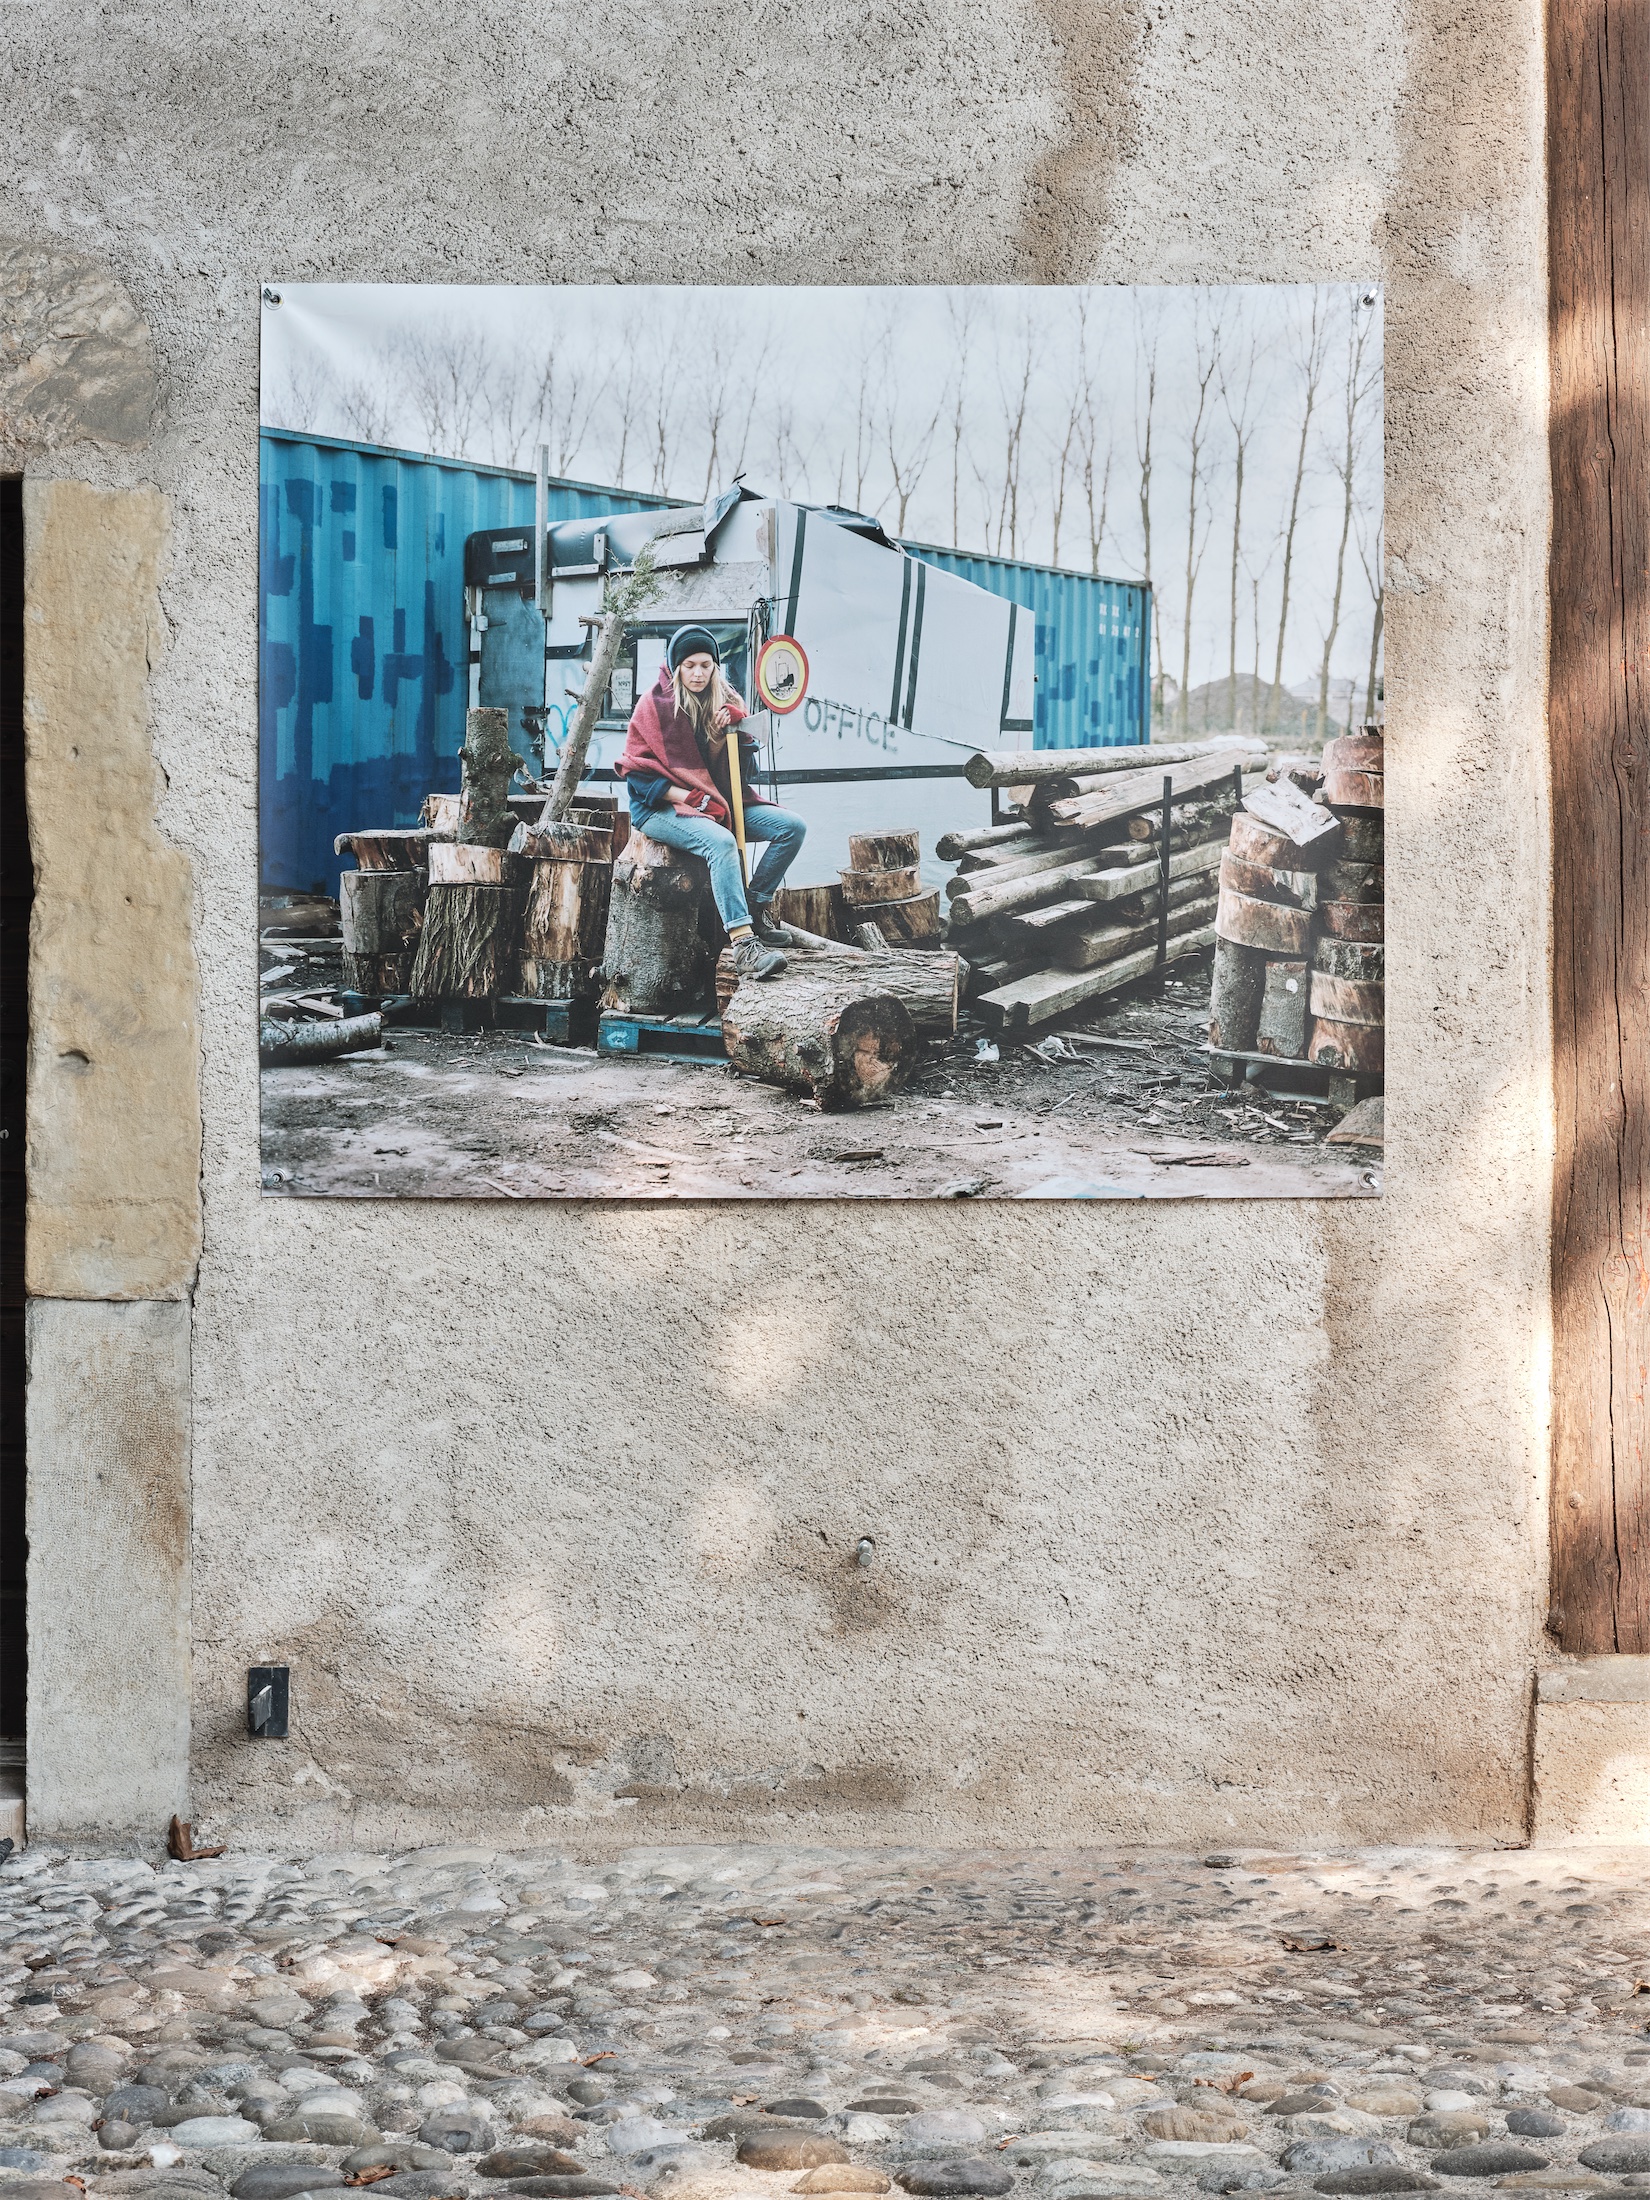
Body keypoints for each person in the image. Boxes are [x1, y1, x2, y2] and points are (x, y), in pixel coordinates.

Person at [617, 625, 808, 981]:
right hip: (660, 807)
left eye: (706, 665)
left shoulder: (725, 700)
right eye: (689, 665)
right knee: (720, 843)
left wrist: (725, 737)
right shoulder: (653, 705)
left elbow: (732, 776)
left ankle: (754, 906)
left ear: (715, 666)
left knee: (792, 827)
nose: (698, 673)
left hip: (715, 799)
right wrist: (689, 797)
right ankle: (744, 946)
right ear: (676, 667)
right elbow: (638, 776)